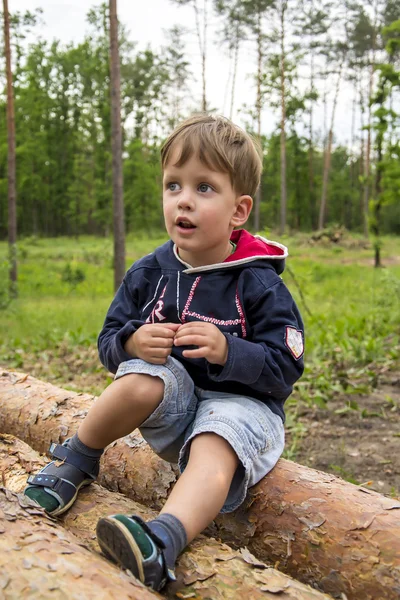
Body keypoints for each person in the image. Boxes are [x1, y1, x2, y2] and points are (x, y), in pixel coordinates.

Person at [24, 114, 304, 591]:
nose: (184, 200)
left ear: (239, 211)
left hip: (244, 410)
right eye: (173, 185)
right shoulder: (150, 271)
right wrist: (131, 342)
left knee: (218, 437)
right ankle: (76, 461)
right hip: (176, 409)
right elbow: (109, 341)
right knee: (141, 375)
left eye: (204, 188)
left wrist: (229, 350)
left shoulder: (257, 280)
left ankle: (161, 541)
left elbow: (287, 365)